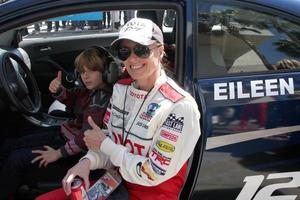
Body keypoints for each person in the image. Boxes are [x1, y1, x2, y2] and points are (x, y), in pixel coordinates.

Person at [36, 17, 201, 200]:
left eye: (141, 49)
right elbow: (106, 140)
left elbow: (152, 173)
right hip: (113, 184)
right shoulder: (121, 90)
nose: (132, 58)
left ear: (160, 51)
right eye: (124, 51)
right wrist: (86, 162)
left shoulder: (179, 107)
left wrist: (105, 146)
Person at [0, 47, 113, 199]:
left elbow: (84, 139)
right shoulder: (90, 91)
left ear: (105, 72)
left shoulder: (100, 101)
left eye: (91, 71)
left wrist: (58, 153)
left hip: (72, 150)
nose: (85, 76)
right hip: (64, 133)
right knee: (10, 144)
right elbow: (74, 98)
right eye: (82, 72)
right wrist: (59, 90)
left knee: (16, 159)